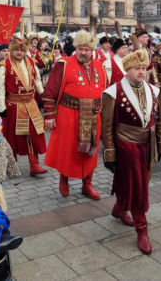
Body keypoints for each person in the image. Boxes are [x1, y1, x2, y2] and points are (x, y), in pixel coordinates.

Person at [101, 49, 161, 254]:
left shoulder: (153, 90)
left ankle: (119, 209)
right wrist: (109, 153)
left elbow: (159, 119)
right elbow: (107, 126)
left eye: (143, 68)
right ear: (126, 70)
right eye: (137, 68)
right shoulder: (113, 92)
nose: (141, 72)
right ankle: (142, 229)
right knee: (138, 188)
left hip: (148, 144)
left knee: (134, 182)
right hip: (126, 145)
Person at [43, 31, 107, 199]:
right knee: (68, 150)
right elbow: (49, 91)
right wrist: (49, 116)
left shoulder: (100, 67)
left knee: (90, 151)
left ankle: (87, 184)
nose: (83, 52)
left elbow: (105, 93)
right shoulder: (63, 64)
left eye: (87, 50)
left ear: (92, 51)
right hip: (69, 115)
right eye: (80, 49)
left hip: (93, 115)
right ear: (76, 48)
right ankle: (64, 179)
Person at [0, 37, 47, 176]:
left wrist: (43, 93)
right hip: (14, 106)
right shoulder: (3, 65)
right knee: (12, 137)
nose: (19, 53)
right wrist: (1, 107)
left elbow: (37, 80)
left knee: (33, 134)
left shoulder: (31, 62)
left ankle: (34, 165)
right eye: (16, 50)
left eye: (22, 50)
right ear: (11, 50)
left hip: (31, 103)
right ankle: (11, 165)